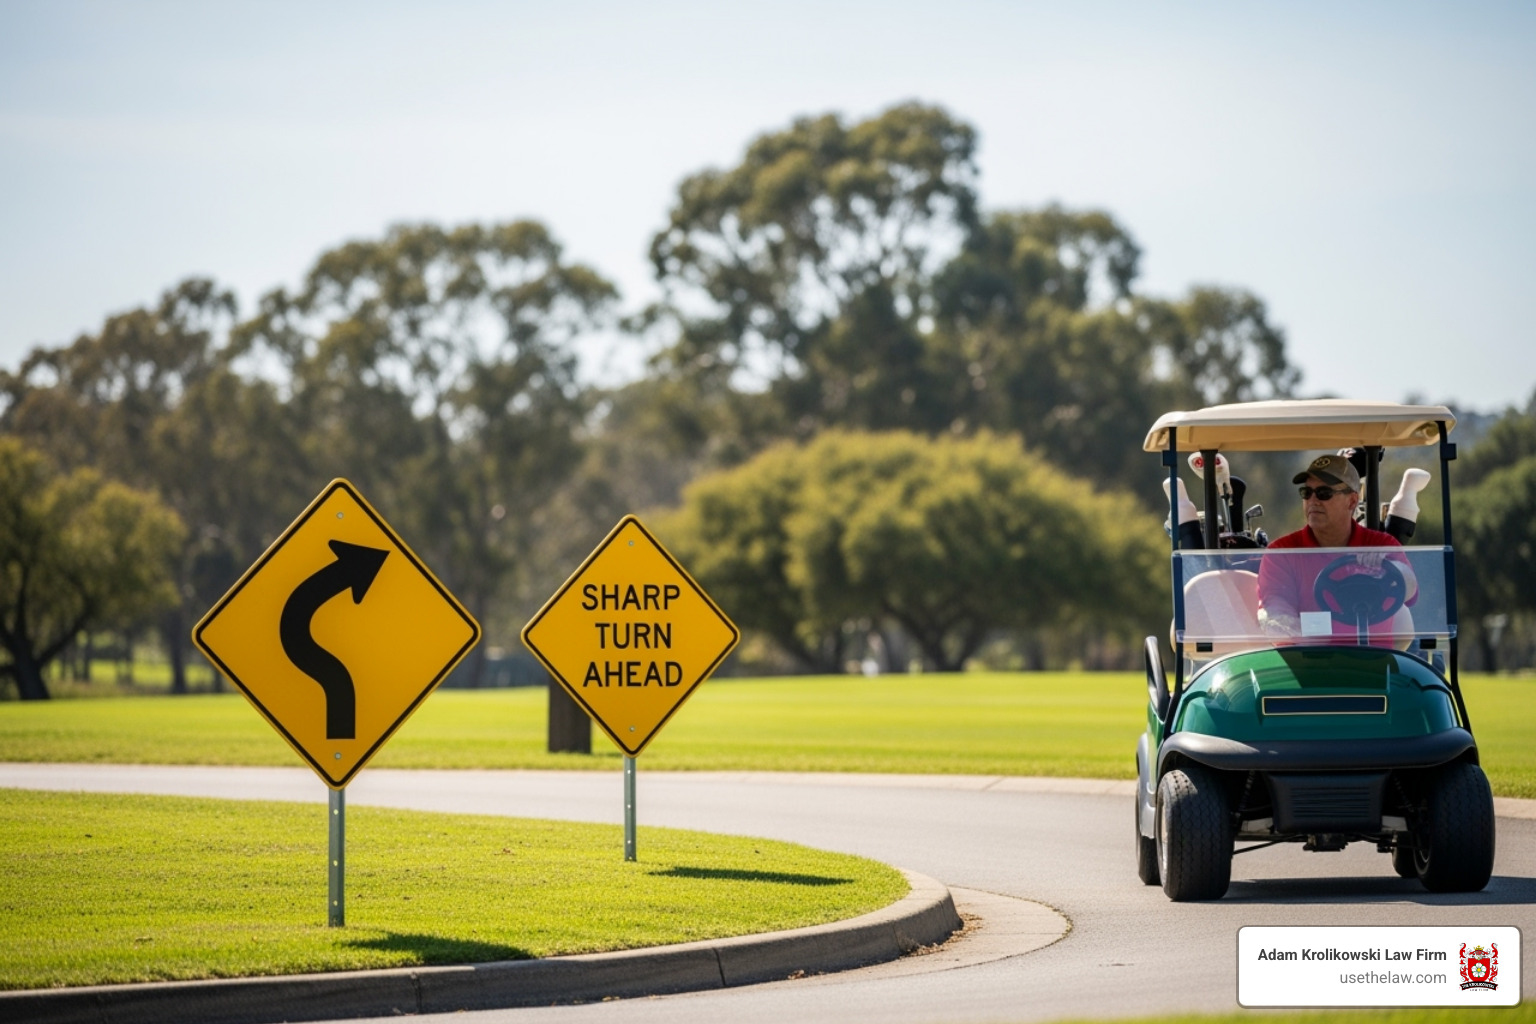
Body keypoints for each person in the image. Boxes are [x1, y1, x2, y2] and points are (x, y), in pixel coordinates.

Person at [1256, 453, 1417, 643]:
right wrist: (1290, 628)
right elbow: (1276, 605)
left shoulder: (1381, 546)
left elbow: (1411, 592)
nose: (1313, 500)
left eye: (1324, 493)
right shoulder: (1282, 552)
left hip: (1374, 664)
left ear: (1352, 501)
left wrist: (1392, 568)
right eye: (1306, 493)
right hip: (1307, 663)